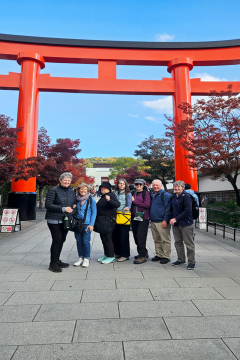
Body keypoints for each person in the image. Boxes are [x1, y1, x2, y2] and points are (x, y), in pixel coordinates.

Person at [45, 172, 75, 273]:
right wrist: (63, 208)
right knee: (57, 240)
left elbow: (73, 204)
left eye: (68, 180)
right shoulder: (54, 190)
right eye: (65, 180)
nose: (67, 182)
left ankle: (57, 260)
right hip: (54, 220)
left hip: (65, 220)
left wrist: (73, 209)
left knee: (62, 240)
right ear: (60, 180)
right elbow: (48, 205)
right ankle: (53, 264)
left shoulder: (71, 191)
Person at [169, 180, 196, 270]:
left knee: (188, 243)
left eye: (179, 186)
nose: (176, 188)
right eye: (175, 186)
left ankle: (191, 262)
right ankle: (181, 259)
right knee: (178, 242)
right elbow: (171, 209)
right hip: (176, 223)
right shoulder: (173, 196)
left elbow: (188, 211)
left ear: (183, 187)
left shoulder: (186, 196)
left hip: (186, 223)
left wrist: (176, 218)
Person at [96, 182, 120, 264]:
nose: (103, 189)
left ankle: (111, 256)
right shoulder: (103, 196)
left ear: (109, 189)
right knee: (104, 239)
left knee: (108, 239)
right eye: (101, 188)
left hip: (108, 221)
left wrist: (110, 200)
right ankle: (106, 254)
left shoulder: (110, 195)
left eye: (105, 188)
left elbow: (117, 204)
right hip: (102, 221)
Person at [73, 183, 97, 268]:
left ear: (87, 191)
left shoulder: (91, 199)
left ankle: (86, 258)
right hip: (77, 223)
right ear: (78, 190)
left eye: (85, 189)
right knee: (78, 241)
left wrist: (91, 224)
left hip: (87, 224)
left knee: (86, 241)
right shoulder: (75, 199)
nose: (83, 191)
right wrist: (73, 207)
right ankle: (80, 257)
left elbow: (94, 212)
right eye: (81, 189)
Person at [150, 179, 172, 264]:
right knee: (157, 239)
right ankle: (159, 254)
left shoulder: (165, 195)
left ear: (161, 185)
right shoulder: (152, 194)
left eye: (157, 185)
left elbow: (168, 209)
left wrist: (165, 220)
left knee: (165, 240)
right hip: (153, 220)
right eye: (154, 185)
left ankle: (166, 256)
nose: (155, 186)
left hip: (162, 221)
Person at [131, 179, 151, 264]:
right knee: (136, 236)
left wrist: (134, 201)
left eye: (140, 184)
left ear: (143, 185)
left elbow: (147, 205)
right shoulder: (133, 193)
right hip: (134, 218)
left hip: (143, 218)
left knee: (140, 236)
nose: (138, 186)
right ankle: (144, 252)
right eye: (136, 184)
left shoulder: (146, 193)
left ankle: (142, 256)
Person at [112, 178, 132, 262]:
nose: (121, 185)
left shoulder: (128, 194)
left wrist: (128, 208)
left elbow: (129, 204)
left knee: (124, 236)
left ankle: (125, 255)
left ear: (125, 185)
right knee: (115, 235)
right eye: (120, 183)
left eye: (123, 183)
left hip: (123, 216)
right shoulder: (114, 193)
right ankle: (117, 253)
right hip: (115, 216)